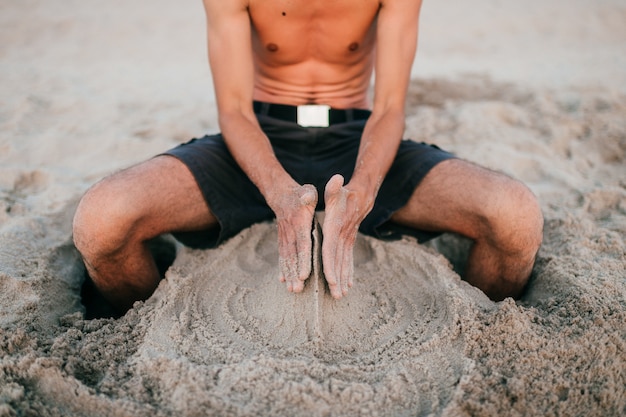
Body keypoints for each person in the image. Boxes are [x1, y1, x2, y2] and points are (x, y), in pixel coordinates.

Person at [72, 0, 544, 315]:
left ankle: (488, 333)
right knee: (102, 221)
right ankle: (133, 328)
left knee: (514, 216)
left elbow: (390, 108)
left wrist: (362, 189)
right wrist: (278, 191)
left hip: (360, 136)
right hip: (257, 137)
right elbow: (234, 111)